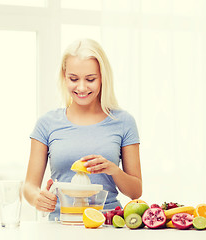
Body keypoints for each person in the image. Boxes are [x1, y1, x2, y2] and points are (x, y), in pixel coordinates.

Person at [23, 38, 142, 221]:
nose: (81, 87)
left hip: (108, 225)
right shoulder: (47, 123)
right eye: (73, 79)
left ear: (103, 77)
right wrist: (37, 198)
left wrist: (113, 170)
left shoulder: (123, 122)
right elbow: (29, 186)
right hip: (61, 225)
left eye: (90, 79)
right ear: (64, 77)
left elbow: (136, 191)